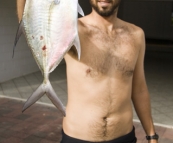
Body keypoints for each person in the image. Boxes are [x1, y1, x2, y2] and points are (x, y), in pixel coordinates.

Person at [16, 0, 159, 143]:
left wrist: (151, 135)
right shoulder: (71, 28)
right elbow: (30, 22)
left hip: (124, 138)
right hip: (78, 138)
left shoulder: (136, 34)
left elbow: (139, 89)